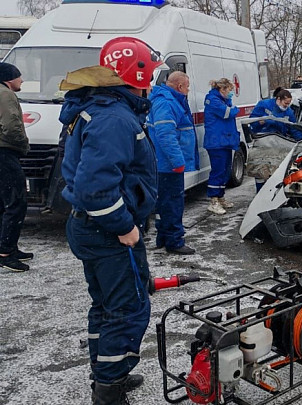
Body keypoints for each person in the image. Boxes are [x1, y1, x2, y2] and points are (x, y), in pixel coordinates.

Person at [60, 36, 163, 404]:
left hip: (91, 228)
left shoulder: (101, 107)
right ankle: (109, 388)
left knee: (105, 305)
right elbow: (95, 189)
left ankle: (106, 372)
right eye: (149, 73)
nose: (151, 81)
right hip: (107, 231)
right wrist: (125, 227)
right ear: (136, 74)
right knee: (128, 309)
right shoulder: (114, 117)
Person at [147, 70, 199, 254]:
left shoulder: (165, 100)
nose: (188, 90)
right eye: (188, 86)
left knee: (164, 202)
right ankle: (174, 241)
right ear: (180, 86)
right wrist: (177, 161)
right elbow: (165, 134)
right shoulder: (167, 103)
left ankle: (163, 236)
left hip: (164, 163)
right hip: (168, 165)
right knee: (173, 203)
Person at [0, 62, 33, 272]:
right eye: (19, 77)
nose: (22, 80)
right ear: (9, 78)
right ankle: (6, 252)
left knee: (2, 203)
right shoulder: (6, 95)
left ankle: (7, 246)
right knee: (16, 202)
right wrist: (23, 145)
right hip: (5, 153)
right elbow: (12, 125)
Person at [249, 86, 302, 191]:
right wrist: (261, 122)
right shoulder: (264, 105)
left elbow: (293, 128)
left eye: (289, 104)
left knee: (276, 171)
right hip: (263, 141)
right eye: (285, 103)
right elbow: (252, 121)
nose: (287, 106)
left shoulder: (288, 112)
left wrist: (301, 140)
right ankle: (260, 192)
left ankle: (273, 192)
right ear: (278, 99)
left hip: (279, 143)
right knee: (260, 170)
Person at [203, 78, 239, 215]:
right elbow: (227, 113)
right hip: (216, 142)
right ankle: (213, 200)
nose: (231, 94)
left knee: (225, 170)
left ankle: (220, 196)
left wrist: (229, 104)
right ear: (222, 89)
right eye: (229, 91)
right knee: (218, 171)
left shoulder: (222, 100)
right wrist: (233, 108)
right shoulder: (212, 100)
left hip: (225, 141)